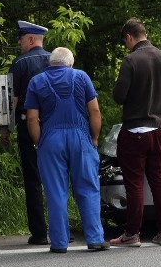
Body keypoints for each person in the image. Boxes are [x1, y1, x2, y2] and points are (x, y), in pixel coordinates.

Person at [24, 47, 109, 253]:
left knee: (55, 192)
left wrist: (38, 142)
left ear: (50, 63)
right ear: (69, 63)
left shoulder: (37, 81)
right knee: (88, 188)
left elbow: (32, 118)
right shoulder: (81, 76)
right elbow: (95, 110)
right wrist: (94, 137)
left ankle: (60, 243)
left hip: (51, 140)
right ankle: (95, 239)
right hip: (81, 138)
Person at [110, 18, 161, 247]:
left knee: (134, 184)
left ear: (129, 37)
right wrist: (157, 101)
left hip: (135, 130)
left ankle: (132, 234)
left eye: (125, 41)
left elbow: (119, 96)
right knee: (159, 181)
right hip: (159, 129)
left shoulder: (131, 60)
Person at [10, 20, 51, 245]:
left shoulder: (20, 63)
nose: (19, 41)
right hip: (54, 126)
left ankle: (40, 233)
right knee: (56, 178)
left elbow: (13, 100)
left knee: (33, 179)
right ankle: (61, 229)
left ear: (32, 39)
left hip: (28, 126)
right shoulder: (57, 60)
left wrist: (8, 129)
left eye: (21, 38)